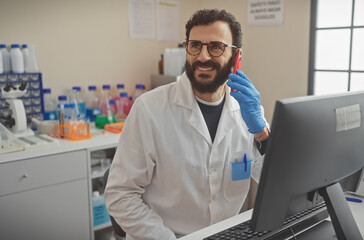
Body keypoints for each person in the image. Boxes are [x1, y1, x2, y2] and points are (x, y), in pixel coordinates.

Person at [105, 9, 270, 240]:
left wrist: (262, 133)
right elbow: (120, 194)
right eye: (195, 45)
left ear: (236, 57)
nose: (202, 57)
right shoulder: (149, 109)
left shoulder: (249, 111)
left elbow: (274, 183)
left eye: (216, 47)